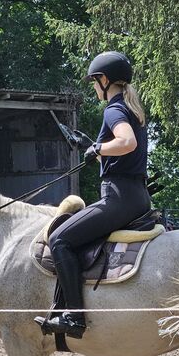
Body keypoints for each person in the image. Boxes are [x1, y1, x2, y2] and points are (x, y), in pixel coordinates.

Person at [38, 50, 151, 339]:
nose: (93, 88)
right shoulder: (131, 109)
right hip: (136, 196)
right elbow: (124, 157)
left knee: (59, 239)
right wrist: (94, 148)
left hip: (119, 198)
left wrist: (99, 148)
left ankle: (75, 317)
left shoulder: (113, 109)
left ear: (104, 80)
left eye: (94, 82)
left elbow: (125, 143)